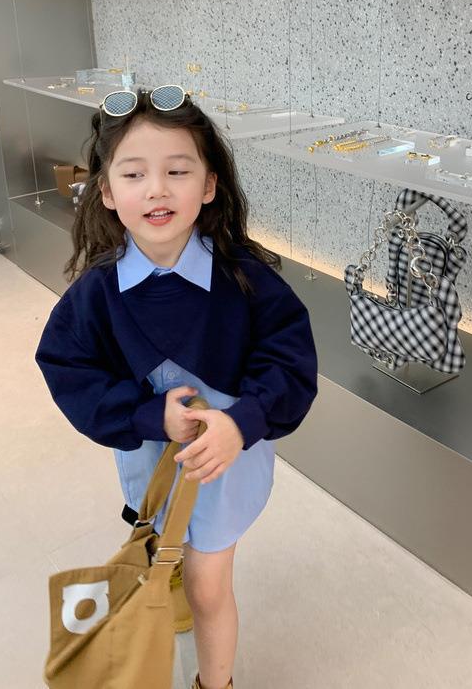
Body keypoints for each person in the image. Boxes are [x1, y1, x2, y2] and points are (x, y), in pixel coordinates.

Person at [35, 84, 318, 689]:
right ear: (106, 192)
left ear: (209, 185)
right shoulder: (97, 293)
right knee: (161, 542)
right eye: (134, 174)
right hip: (149, 464)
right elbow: (68, 366)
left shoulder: (245, 278)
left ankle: (214, 682)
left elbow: (290, 361)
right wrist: (145, 416)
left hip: (222, 465)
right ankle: (173, 574)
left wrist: (241, 421)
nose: (157, 189)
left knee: (209, 587)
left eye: (177, 171)